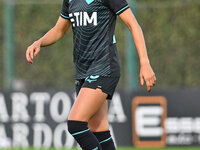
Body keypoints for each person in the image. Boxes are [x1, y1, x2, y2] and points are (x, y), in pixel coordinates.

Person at [26, 0, 156, 149]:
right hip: (83, 71)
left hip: (104, 67)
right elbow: (59, 30)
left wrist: (145, 63)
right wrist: (39, 42)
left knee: (76, 124)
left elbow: (133, 25)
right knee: (99, 132)